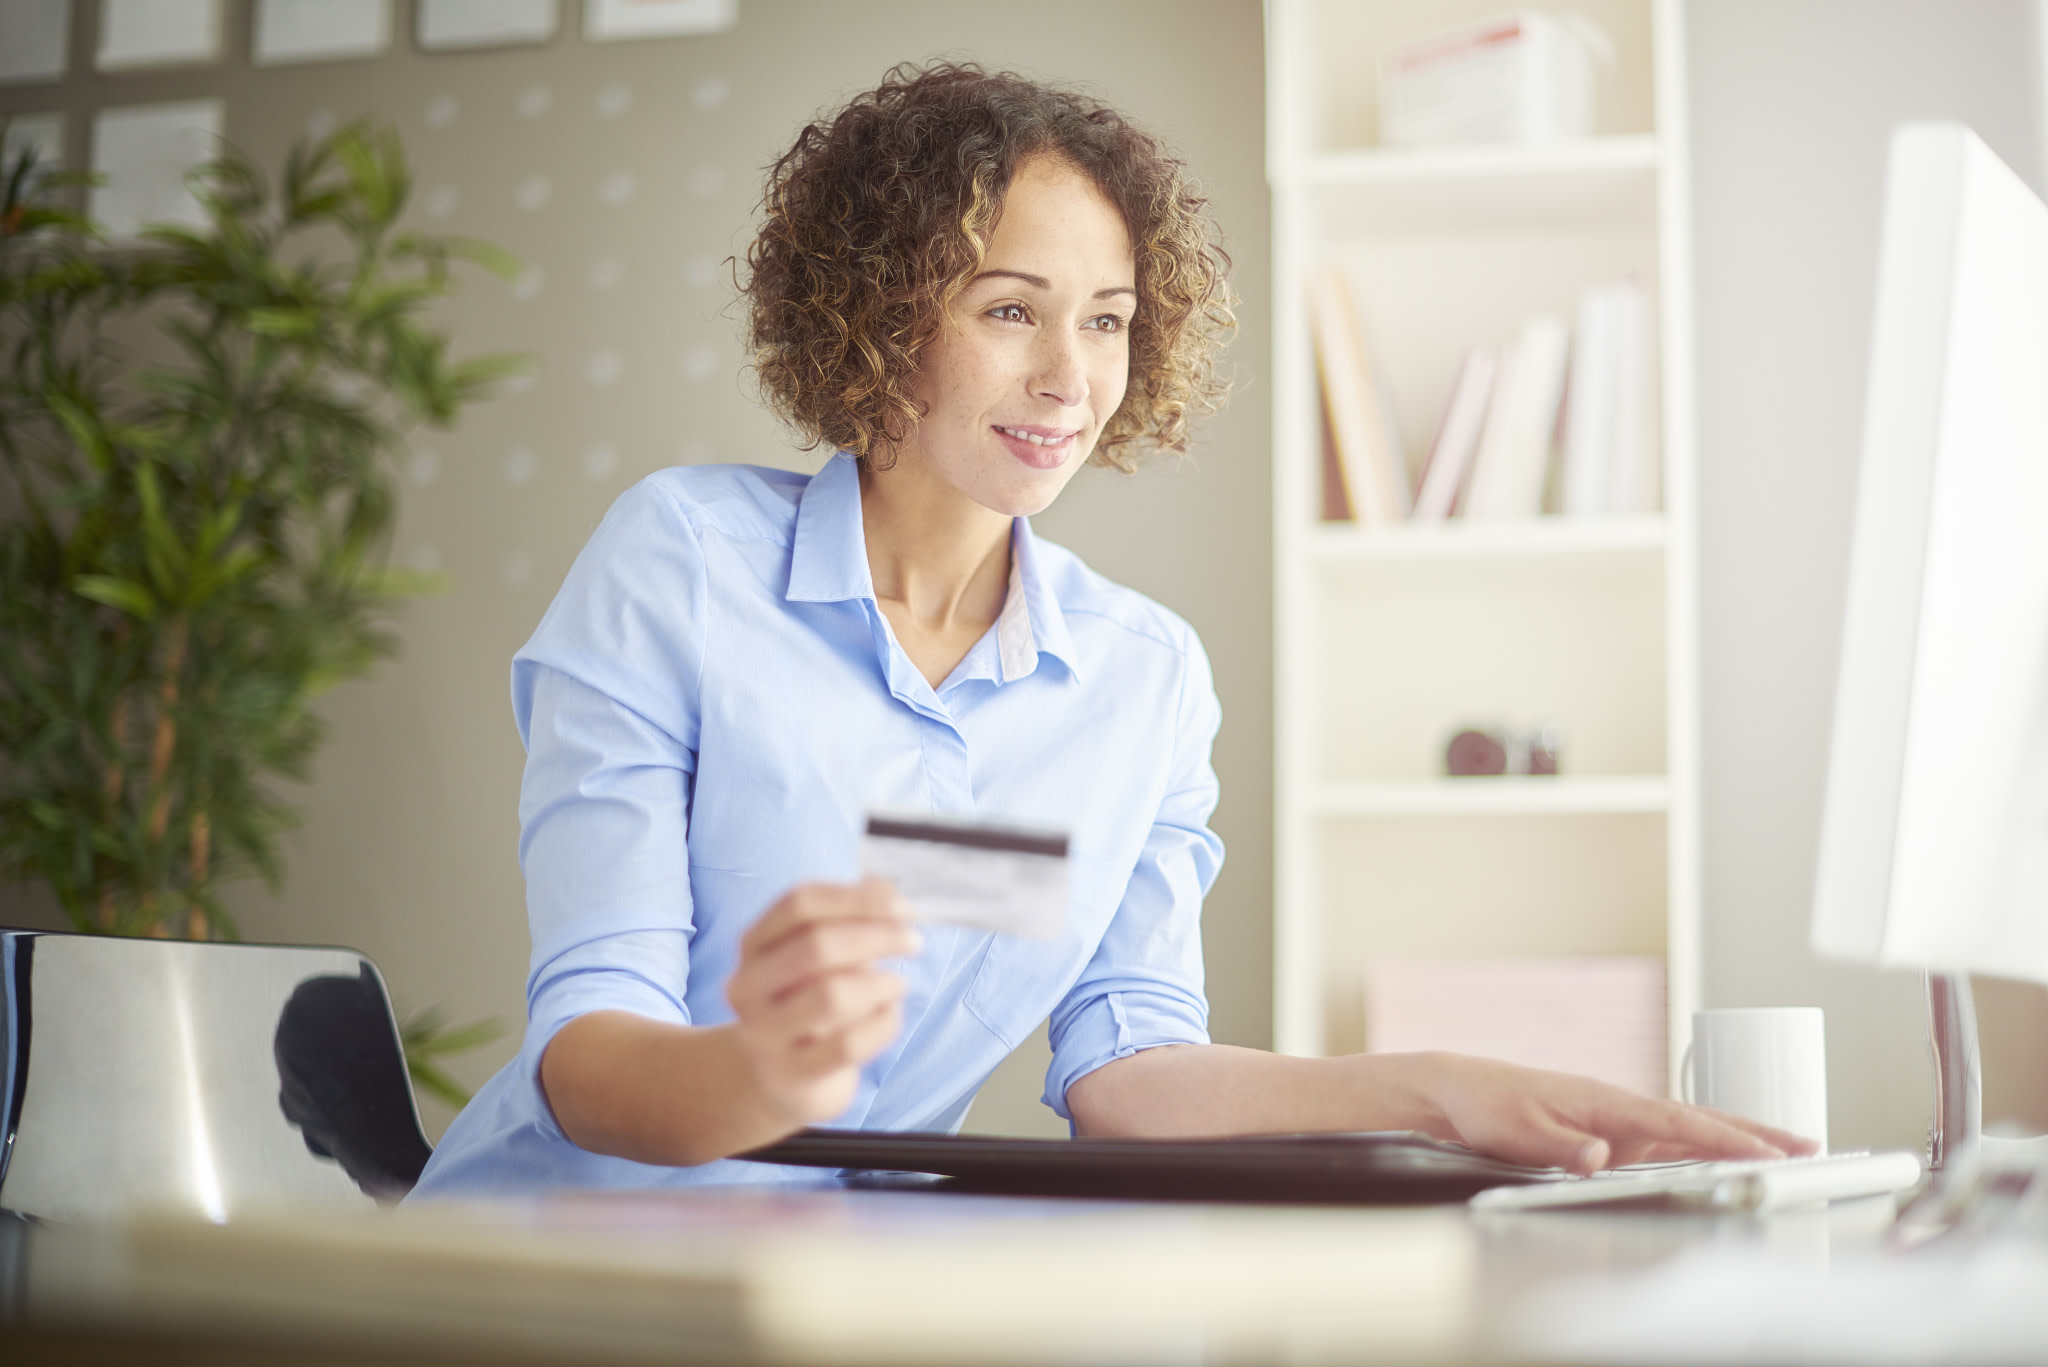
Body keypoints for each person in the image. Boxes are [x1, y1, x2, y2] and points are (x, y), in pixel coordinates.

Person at [411, 63, 1809, 1196]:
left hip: (844, 1282)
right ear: (882, 317)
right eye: (1010, 310)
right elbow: (589, 1049)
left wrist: (1435, 1088)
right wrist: (764, 1076)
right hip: (554, 1260)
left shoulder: (1139, 683)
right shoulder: (685, 565)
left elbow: (1129, 1071)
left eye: (1109, 320)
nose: (1068, 379)